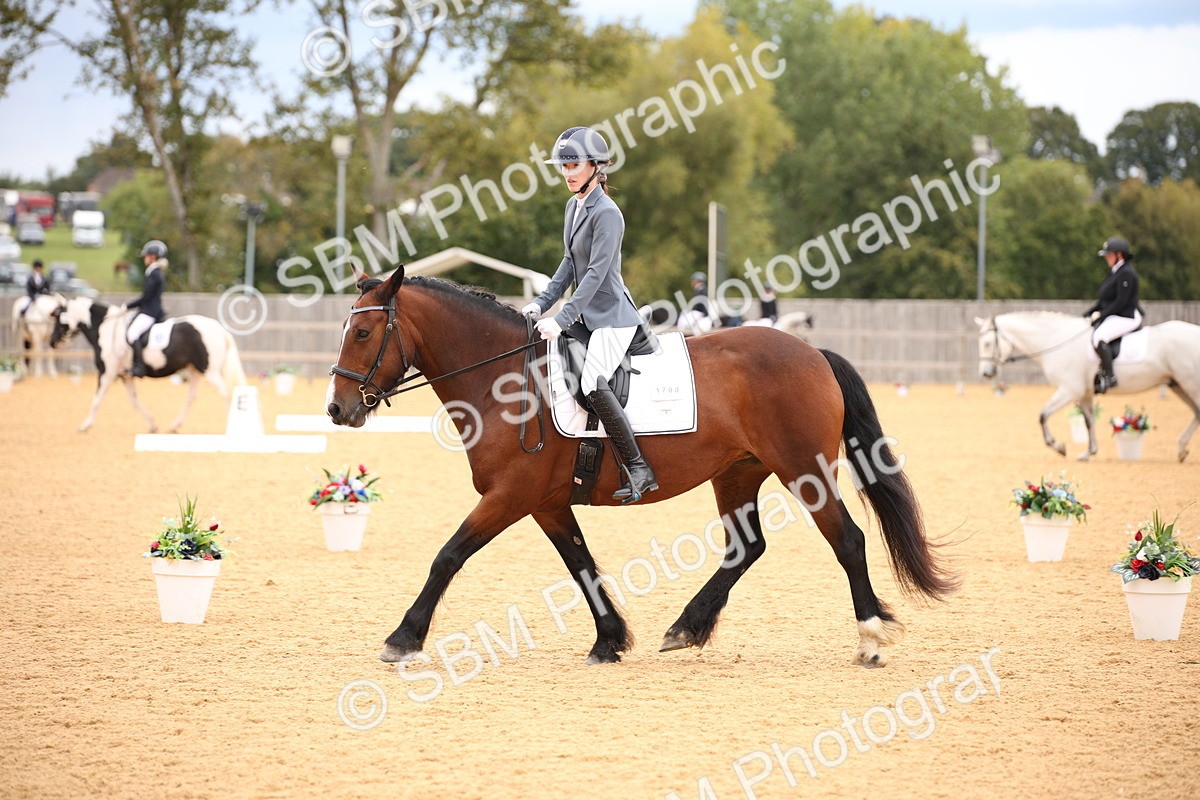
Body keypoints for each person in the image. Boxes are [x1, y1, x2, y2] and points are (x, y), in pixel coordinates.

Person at [522, 126, 658, 503]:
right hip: (587, 317)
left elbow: (597, 274)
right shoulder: (573, 206)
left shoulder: (608, 214)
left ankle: (639, 467)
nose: (567, 173)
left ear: (596, 166)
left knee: (591, 382)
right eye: (563, 166)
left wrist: (562, 318)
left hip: (613, 317)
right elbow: (568, 264)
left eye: (574, 164)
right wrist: (540, 303)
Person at [1083, 235, 1142, 393]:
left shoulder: (1127, 273)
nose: (1106, 258)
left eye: (1109, 255)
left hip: (1127, 316)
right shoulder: (1115, 272)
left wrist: (1101, 315)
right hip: (1116, 314)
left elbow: (1121, 301)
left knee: (1099, 336)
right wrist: (1088, 313)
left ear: (1119, 255)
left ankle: (1110, 376)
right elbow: (1104, 299)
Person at [126, 240, 169, 377]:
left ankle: (139, 367)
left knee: (132, 334)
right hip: (148, 310)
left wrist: (128, 306)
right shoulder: (153, 272)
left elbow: (146, 298)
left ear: (153, 257)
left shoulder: (154, 274)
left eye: (146, 255)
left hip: (150, 312)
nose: (145, 258)